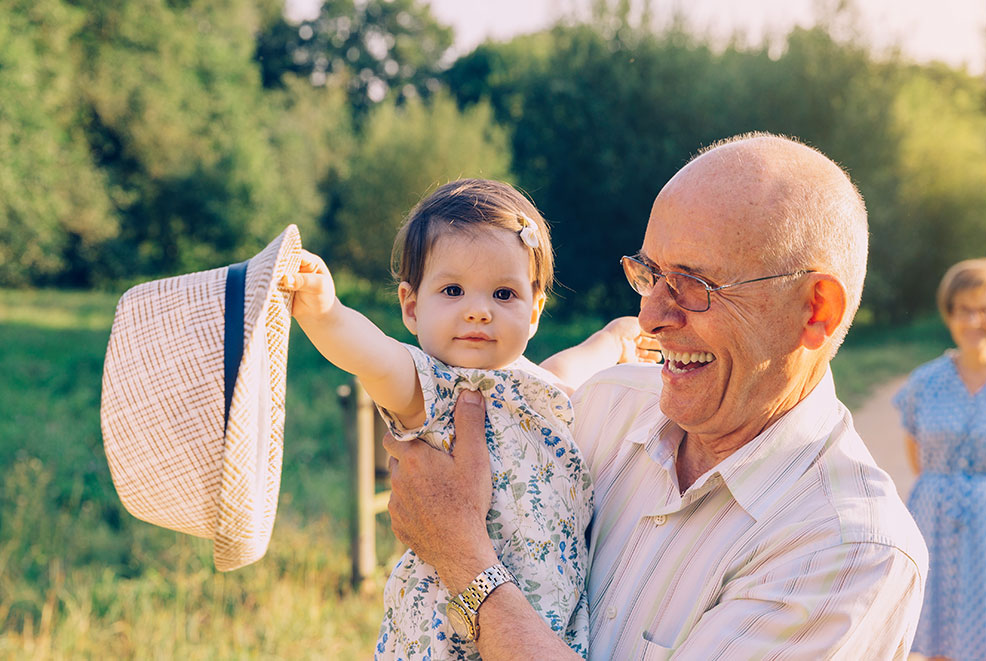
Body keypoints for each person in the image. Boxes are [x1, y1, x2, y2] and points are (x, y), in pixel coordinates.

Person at [383, 133, 930, 660]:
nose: (649, 317)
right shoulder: (604, 407)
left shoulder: (848, 552)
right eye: (649, 274)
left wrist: (463, 559)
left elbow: (455, 529)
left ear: (816, 311)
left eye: (694, 285)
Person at [281, 179, 655, 660]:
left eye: (503, 294)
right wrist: (325, 312)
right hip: (452, 636)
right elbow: (372, 356)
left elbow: (574, 363)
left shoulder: (536, 387)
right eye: (453, 290)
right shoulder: (431, 390)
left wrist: (617, 337)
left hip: (541, 631)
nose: (479, 311)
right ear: (412, 307)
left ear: (534, 310)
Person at [894, 257, 986, 661]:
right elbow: (917, 457)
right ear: (949, 316)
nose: (974, 321)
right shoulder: (924, 382)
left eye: (985, 309)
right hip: (931, 517)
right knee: (934, 633)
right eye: (963, 310)